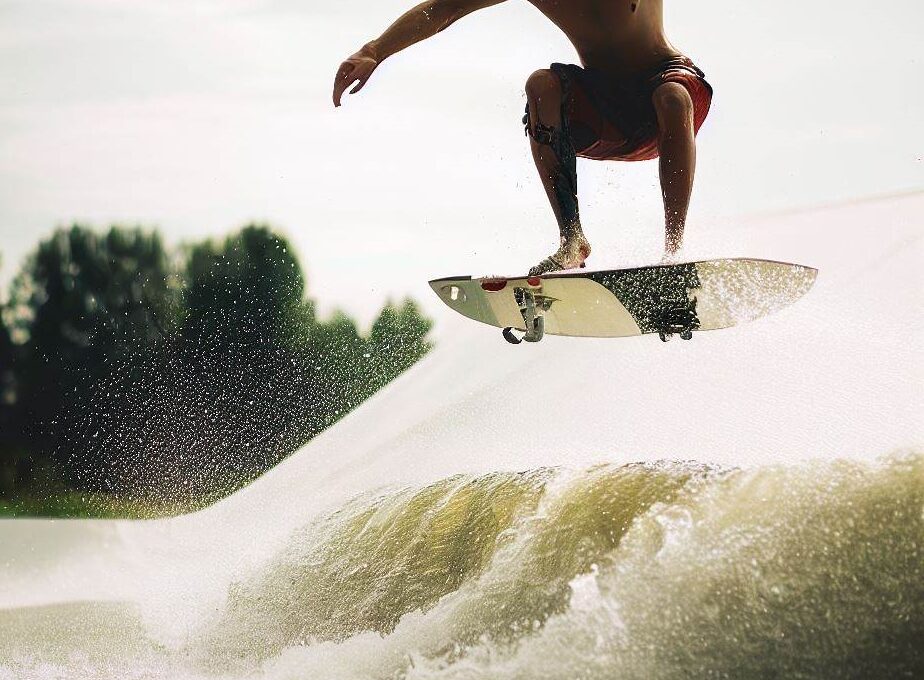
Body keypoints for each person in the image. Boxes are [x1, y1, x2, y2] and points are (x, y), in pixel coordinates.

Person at [333, 0, 713, 275]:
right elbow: (442, 10)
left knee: (671, 97)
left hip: (666, 94)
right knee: (542, 86)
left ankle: (674, 252)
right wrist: (373, 51)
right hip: (607, 116)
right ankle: (572, 240)